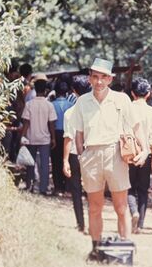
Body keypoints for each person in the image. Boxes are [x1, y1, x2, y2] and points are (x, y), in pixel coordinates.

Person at [69, 58, 148, 260]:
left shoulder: (121, 100)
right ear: (89, 79)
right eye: (95, 77)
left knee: (121, 207)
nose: (99, 82)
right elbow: (78, 133)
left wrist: (145, 149)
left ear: (110, 79)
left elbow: (137, 126)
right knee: (95, 207)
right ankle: (95, 250)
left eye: (103, 77)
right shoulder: (82, 102)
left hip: (115, 155)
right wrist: (82, 155)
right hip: (91, 155)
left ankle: (126, 251)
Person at [128, 78, 152, 234]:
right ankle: (140, 224)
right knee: (142, 189)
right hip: (146, 154)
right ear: (148, 94)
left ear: (132, 93)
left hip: (127, 154)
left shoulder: (125, 109)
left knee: (128, 187)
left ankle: (133, 211)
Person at [62, 75, 92, 233]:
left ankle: (81, 223)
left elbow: (68, 138)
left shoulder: (70, 113)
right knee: (92, 190)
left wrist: (65, 160)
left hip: (75, 155)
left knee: (76, 189)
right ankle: (93, 221)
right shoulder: (94, 111)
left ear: (74, 91)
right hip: (92, 154)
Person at [21, 77, 57, 195]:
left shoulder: (29, 104)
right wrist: (53, 138)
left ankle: (30, 185)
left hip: (31, 138)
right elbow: (51, 123)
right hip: (45, 139)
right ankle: (43, 188)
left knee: (30, 163)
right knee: (45, 164)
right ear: (45, 90)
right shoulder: (49, 105)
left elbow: (26, 122)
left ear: (35, 89)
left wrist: (23, 136)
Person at [51, 79, 74, 195]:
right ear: (67, 92)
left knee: (56, 161)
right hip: (68, 135)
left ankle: (58, 187)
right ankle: (68, 187)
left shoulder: (51, 104)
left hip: (55, 133)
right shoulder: (71, 105)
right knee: (68, 160)